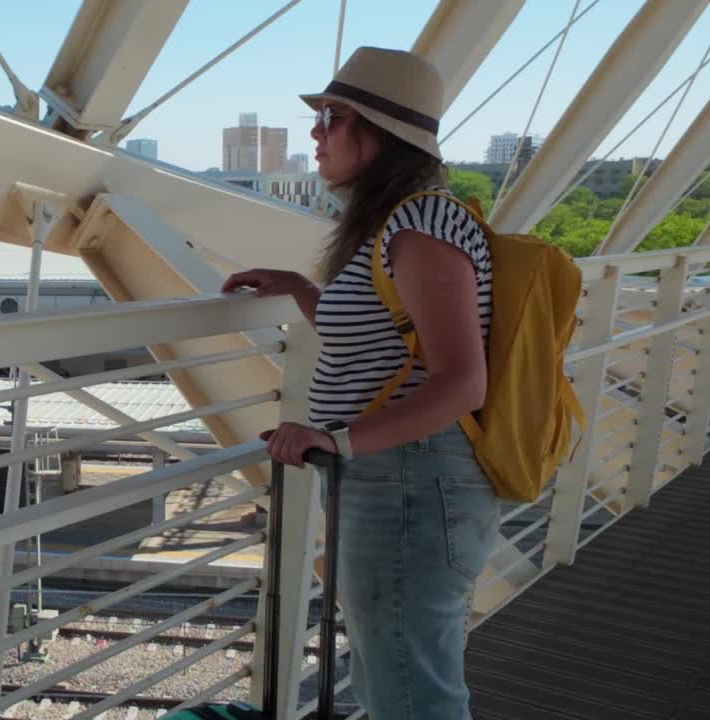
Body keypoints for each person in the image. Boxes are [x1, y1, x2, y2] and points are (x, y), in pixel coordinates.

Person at [222, 47, 500, 719]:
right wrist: (302, 292)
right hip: (400, 479)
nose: (316, 133)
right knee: (393, 677)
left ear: (386, 136)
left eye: (334, 116)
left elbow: (462, 382)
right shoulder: (396, 226)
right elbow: (390, 336)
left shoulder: (421, 225)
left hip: (410, 479)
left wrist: (335, 437)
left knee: (411, 689)